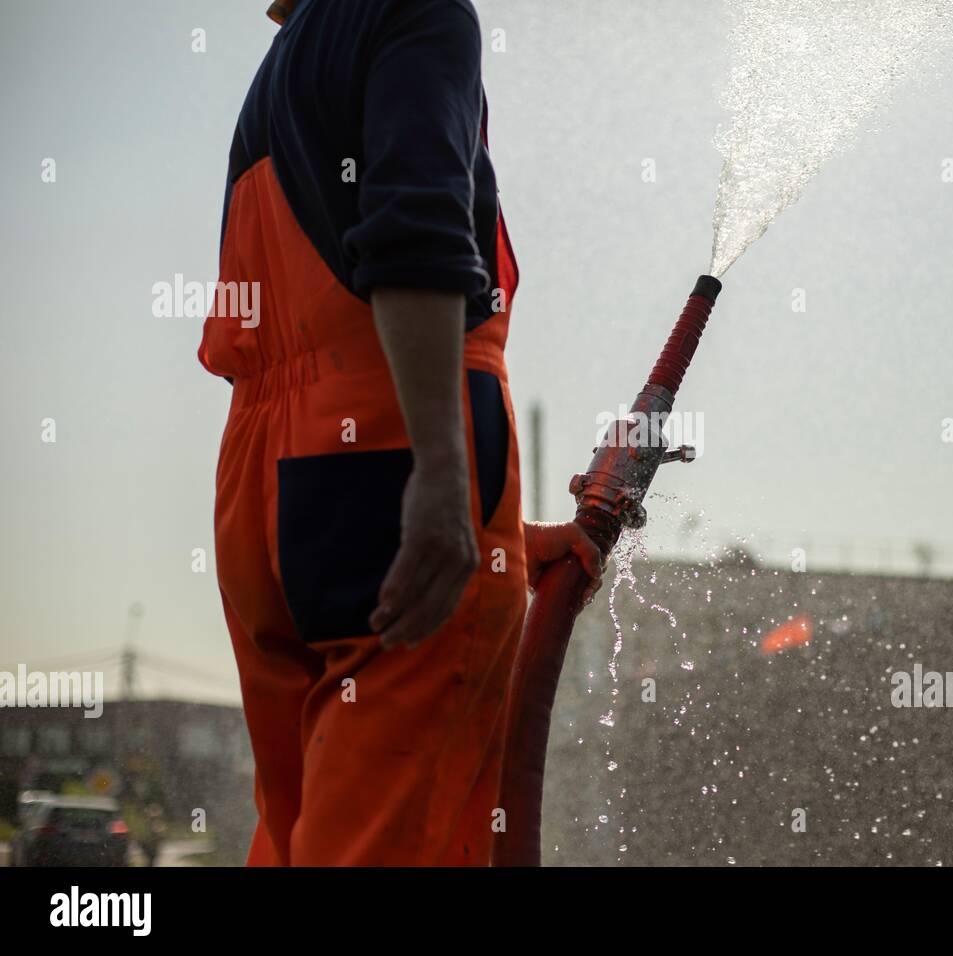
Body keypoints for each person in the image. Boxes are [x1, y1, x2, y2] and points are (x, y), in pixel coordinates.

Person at [198, 0, 601, 866]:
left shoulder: (277, 75)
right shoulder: (419, 11)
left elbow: (317, 397)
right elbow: (412, 236)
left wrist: (498, 541)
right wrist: (441, 478)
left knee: (308, 832)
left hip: (264, 501)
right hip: (392, 451)